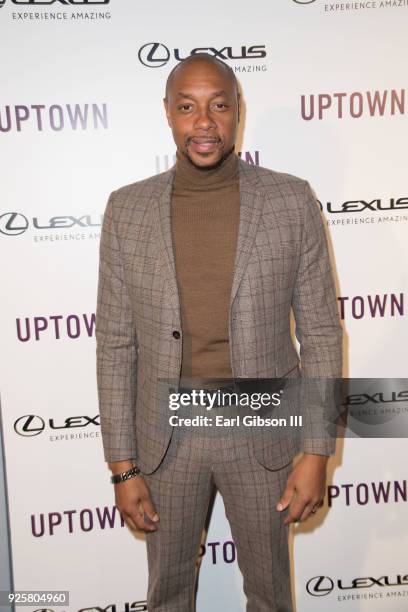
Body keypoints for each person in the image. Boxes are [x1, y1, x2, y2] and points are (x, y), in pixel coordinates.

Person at [96, 53, 343, 612]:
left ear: (238, 113)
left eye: (219, 106)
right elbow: (114, 344)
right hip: (166, 438)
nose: (203, 123)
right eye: (187, 107)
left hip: (264, 430)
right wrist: (123, 467)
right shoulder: (126, 210)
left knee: (271, 597)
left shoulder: (290, 199)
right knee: (167, 597)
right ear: (167, 114)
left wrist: (315, 452)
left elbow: (322, 332)